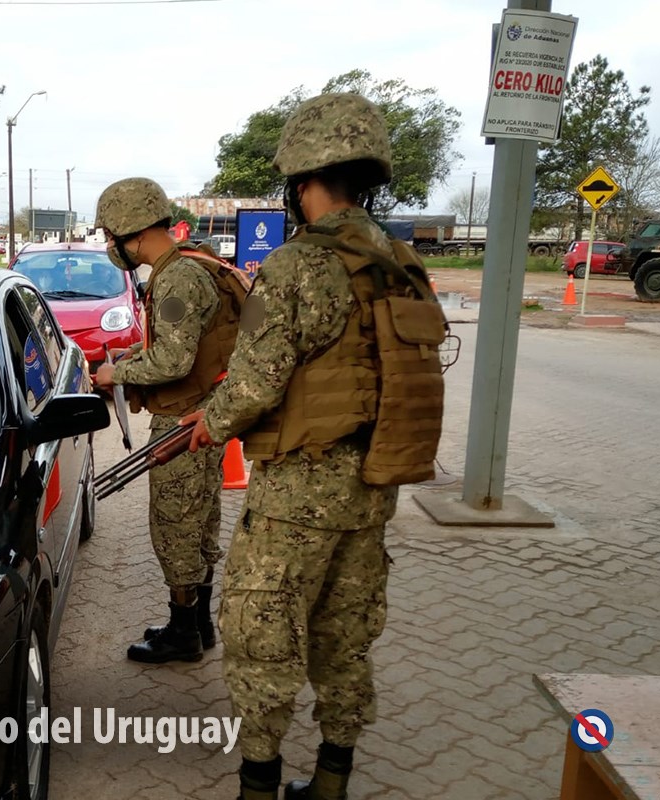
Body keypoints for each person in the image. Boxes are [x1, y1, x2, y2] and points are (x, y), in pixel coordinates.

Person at [183, 93, 442, 800]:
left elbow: (255, 382)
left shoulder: (296, 266)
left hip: (297, 493)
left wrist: (209, 420)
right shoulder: (400, 262)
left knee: (262, 638)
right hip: (374, 485)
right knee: (344, 638)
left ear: (301, 184)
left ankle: (259, 788)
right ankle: (331, 784)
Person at [92, 177, 240, 664]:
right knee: (200, 520)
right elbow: (183, 345)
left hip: (182, 421)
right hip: (206, 414)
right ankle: (198, 623)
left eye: (113, 236)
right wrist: (135, 354)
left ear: (133, 231)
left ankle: (183, 634)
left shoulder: (176, 278)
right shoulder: (195, 264)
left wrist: (117, 371)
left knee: (175, 525)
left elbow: (173, 362)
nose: (113, 246)